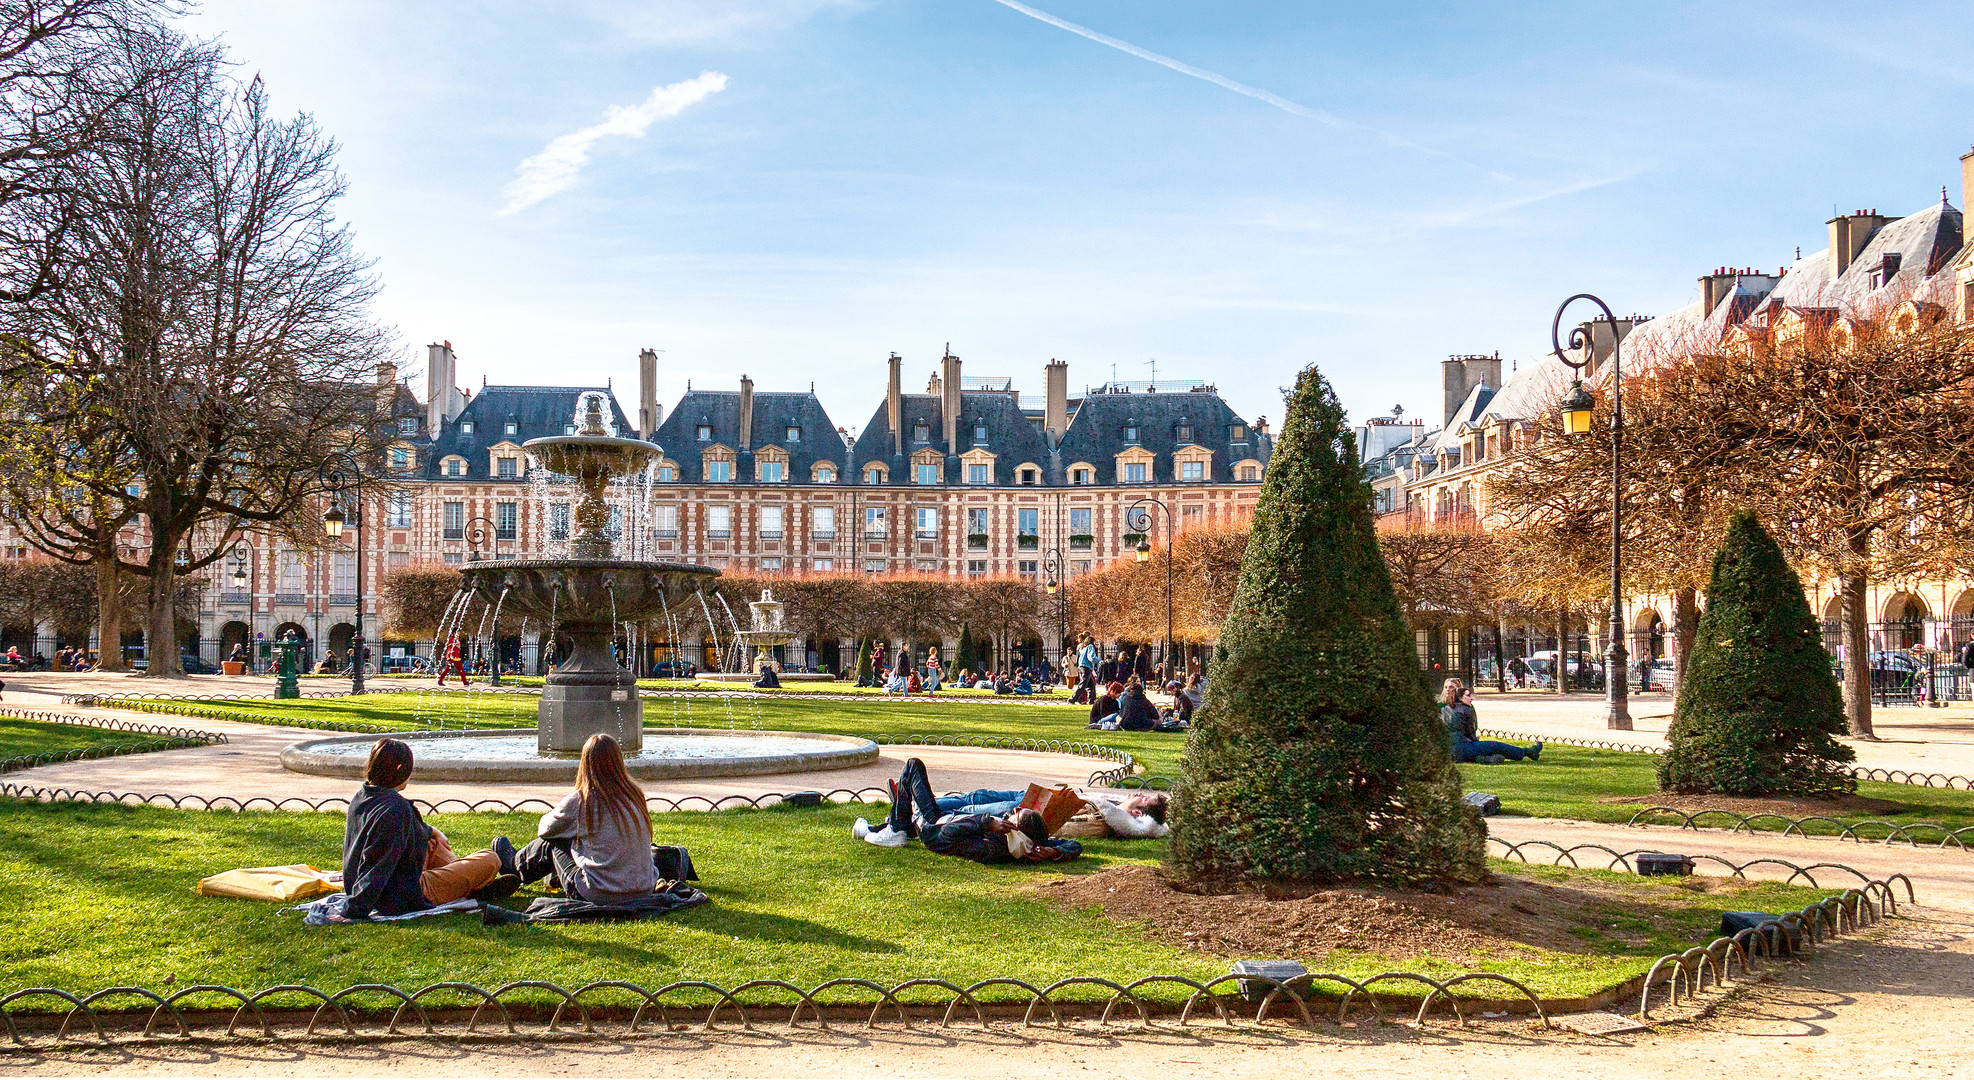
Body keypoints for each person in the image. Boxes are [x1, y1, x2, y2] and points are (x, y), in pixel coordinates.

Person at [341, 738, 517, 919]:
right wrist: (354, 909)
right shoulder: (395, 809)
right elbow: (377, 864)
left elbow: (407, 834)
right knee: (490, 858)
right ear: (400, 769)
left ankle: (470, 883)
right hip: (402, 895)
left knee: (433, 843)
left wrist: (433, 832)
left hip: (387, 883)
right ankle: (474, 886)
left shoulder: (363, 796)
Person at [513, 734, 657, 904]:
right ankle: (518, 866)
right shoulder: (634, 795)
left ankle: (515, 867)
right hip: (644, 890)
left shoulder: (582, 801)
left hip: (598, 892)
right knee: (570, 834)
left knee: (556, 839)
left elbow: (545, 830)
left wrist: (565, 821)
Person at [852, 758, 1077, 863]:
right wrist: (1055, 852)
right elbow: (1074, 845)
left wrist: (985, 822)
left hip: (932, 827)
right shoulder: (1026, 841)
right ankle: (885, 827)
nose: (1015, 810)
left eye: (1017, 815)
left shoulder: (992, 847)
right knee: (965, 798)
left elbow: (946, 834)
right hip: (943, 818)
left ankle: (895, 827)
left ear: (1016, 829)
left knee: (913, 766)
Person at [1441, 686, 1541, 764]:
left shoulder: (1445, 709)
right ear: (1460, 698)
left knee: (1480, 749)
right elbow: (1470, 733)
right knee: (1495, 745)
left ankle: (1483, 759)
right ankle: (1527, 752)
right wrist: (1475, 740)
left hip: (1449, 752)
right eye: (1468, 696)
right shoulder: (1467, 710)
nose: (1471, 698)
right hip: (1462, 748)